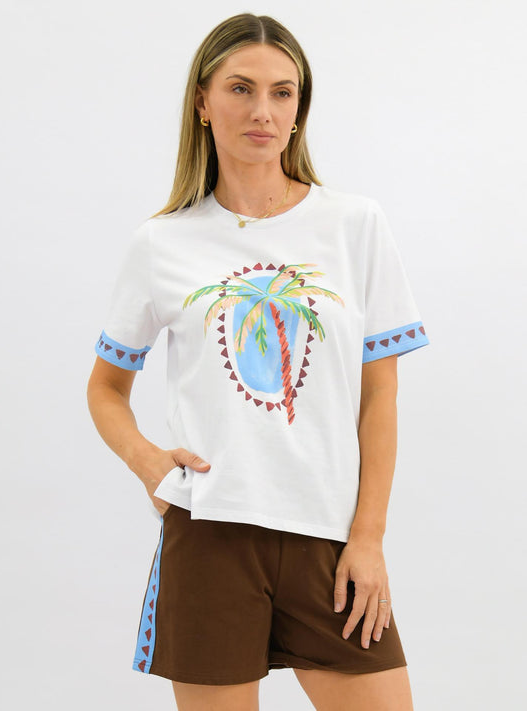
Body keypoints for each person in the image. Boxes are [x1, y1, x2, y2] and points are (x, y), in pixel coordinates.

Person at [87, 12, 429, 711]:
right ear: (202, 102)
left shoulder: (355, 225)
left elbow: (379, 397)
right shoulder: (161, 243)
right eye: (240, 89)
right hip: (209, 534)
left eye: (282, 92)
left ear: (300, 109)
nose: (262, 111)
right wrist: (149, 462)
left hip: (329, 540)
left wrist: (367, 538)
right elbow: (105, 388)